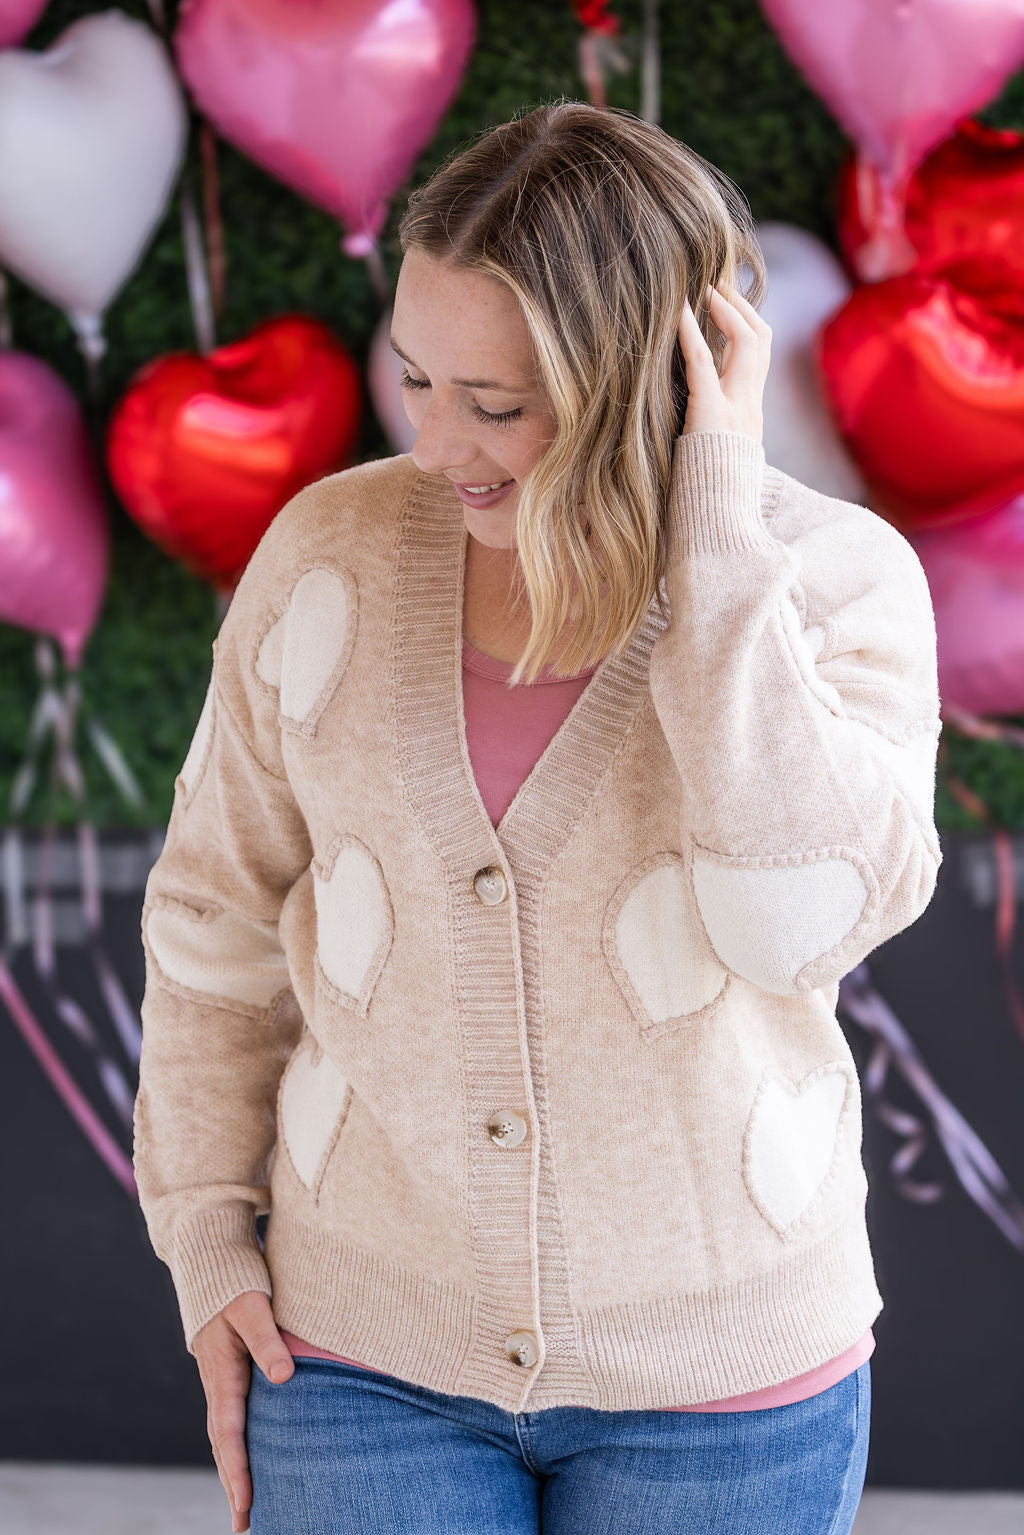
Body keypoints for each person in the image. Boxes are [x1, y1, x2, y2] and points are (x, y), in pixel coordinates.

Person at [132, 100, 943, 1534]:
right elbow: (215, 919)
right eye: (416, 379)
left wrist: (711, 537)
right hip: (362, 1353)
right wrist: (207, 1235)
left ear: (654, 378)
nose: (438, 444)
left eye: (495, 405)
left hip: (726, 1387)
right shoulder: (330, 556)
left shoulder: (834, 588)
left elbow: (788, 921)